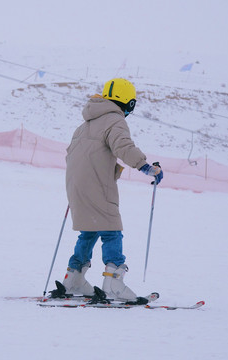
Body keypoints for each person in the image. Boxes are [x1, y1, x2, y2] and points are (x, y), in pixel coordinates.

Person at [52, 78, 163, 304]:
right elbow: (123, 146)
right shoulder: (115, 120)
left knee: (90, 229)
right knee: (112, 229)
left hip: (76, 185)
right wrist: (146, 167)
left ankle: (74, 277)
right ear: (128, 102)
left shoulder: (85, 123)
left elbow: (74, 154)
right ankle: (114, 281)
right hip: (97, 185)